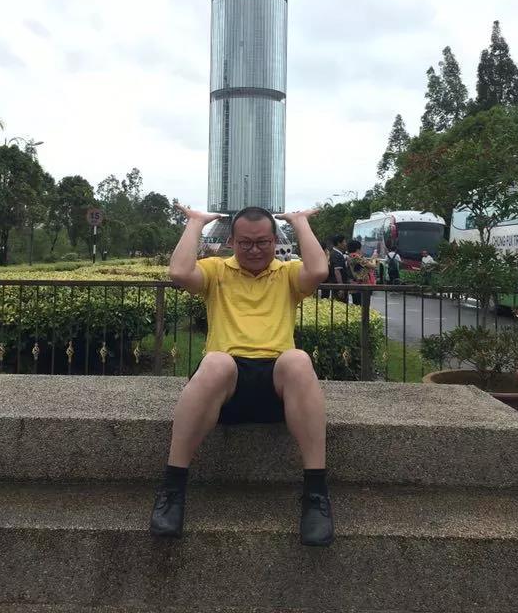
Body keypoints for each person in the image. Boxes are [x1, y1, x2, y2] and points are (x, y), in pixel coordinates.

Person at [149, 204, 333, 547]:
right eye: (245, 243)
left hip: (277, 386)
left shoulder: (288, 275)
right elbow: (179, 272)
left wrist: (300, 222)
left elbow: (319, 269)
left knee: (297, 360)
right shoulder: (217, 271)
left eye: (262, 242)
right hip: (226, 387)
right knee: (216, 362)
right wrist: (195, 223)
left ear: (274, 241)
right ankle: (172, 489)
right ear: (231, 242)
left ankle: (315, 494)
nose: (254, 250)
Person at [346, 238, 377, 306]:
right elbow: (372, 266)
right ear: (357, 249)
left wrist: (372, 258)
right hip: (361, 285)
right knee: (363, 306)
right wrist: (374, 258)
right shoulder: (355, 257)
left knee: (358, 305)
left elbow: (365, 264)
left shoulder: (351, 256)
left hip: (356, 285)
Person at [326, 234, 348, 301]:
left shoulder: (335, 253)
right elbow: (337, 271)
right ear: (339, 243)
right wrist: (341, 287)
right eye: (344, 242)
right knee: (340, 303)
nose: (345, 244)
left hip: (336, 285)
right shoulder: (336, 255)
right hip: (338, 286)